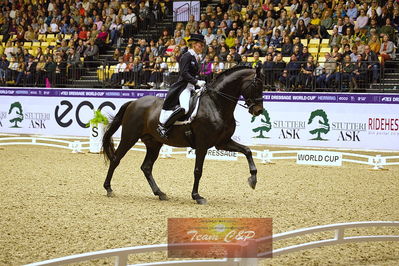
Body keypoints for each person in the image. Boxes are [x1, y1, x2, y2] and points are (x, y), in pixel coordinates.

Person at [157, 34, 206, 139]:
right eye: (200, 45)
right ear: (193, 45)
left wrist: (200, 83)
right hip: (184, 87)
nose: (202, 47)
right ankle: (163, 126)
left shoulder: (196, 58)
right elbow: (184, 73)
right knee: (185, 108)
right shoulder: (186, 56)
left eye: (202, 45)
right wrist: (196, 82)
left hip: (193, 87)